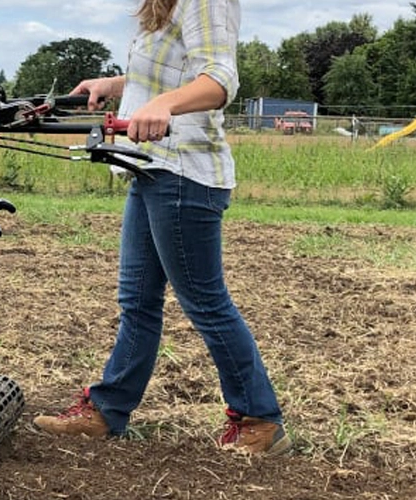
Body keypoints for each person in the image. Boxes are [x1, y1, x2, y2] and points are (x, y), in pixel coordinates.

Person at [31, 0, 289, 455]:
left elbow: (218, 79)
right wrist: (113, 84)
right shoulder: (167, 6)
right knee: (137, 302)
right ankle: (108, 410)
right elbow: (172, 74)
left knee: (206, 303)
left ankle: (260, 419)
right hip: (152, 167)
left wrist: (165, 104)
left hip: (185, 173)